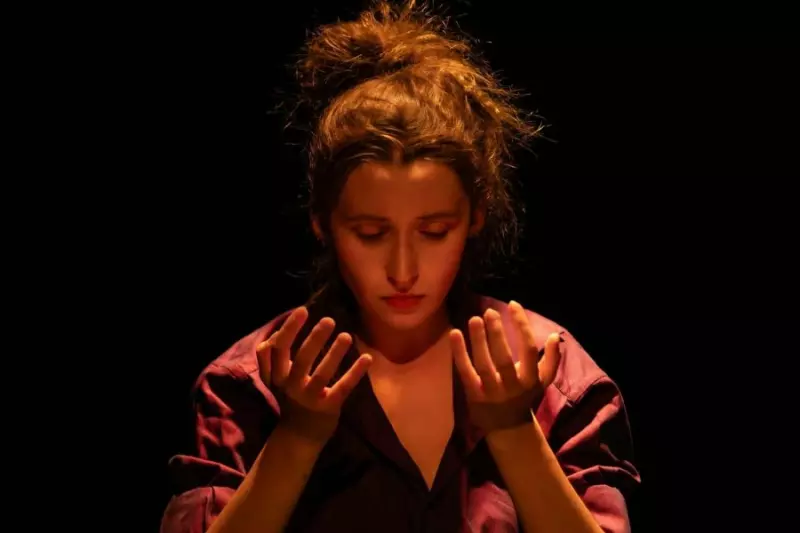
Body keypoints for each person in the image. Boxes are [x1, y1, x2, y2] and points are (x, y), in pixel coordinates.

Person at [160, 1, 641, 531]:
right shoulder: (249, 385)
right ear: (322, 223)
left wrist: (513, 430)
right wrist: (296, 437)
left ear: (475, 217)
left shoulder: (552, 372)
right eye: (371, 234)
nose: (403, 269)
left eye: (434, 231)